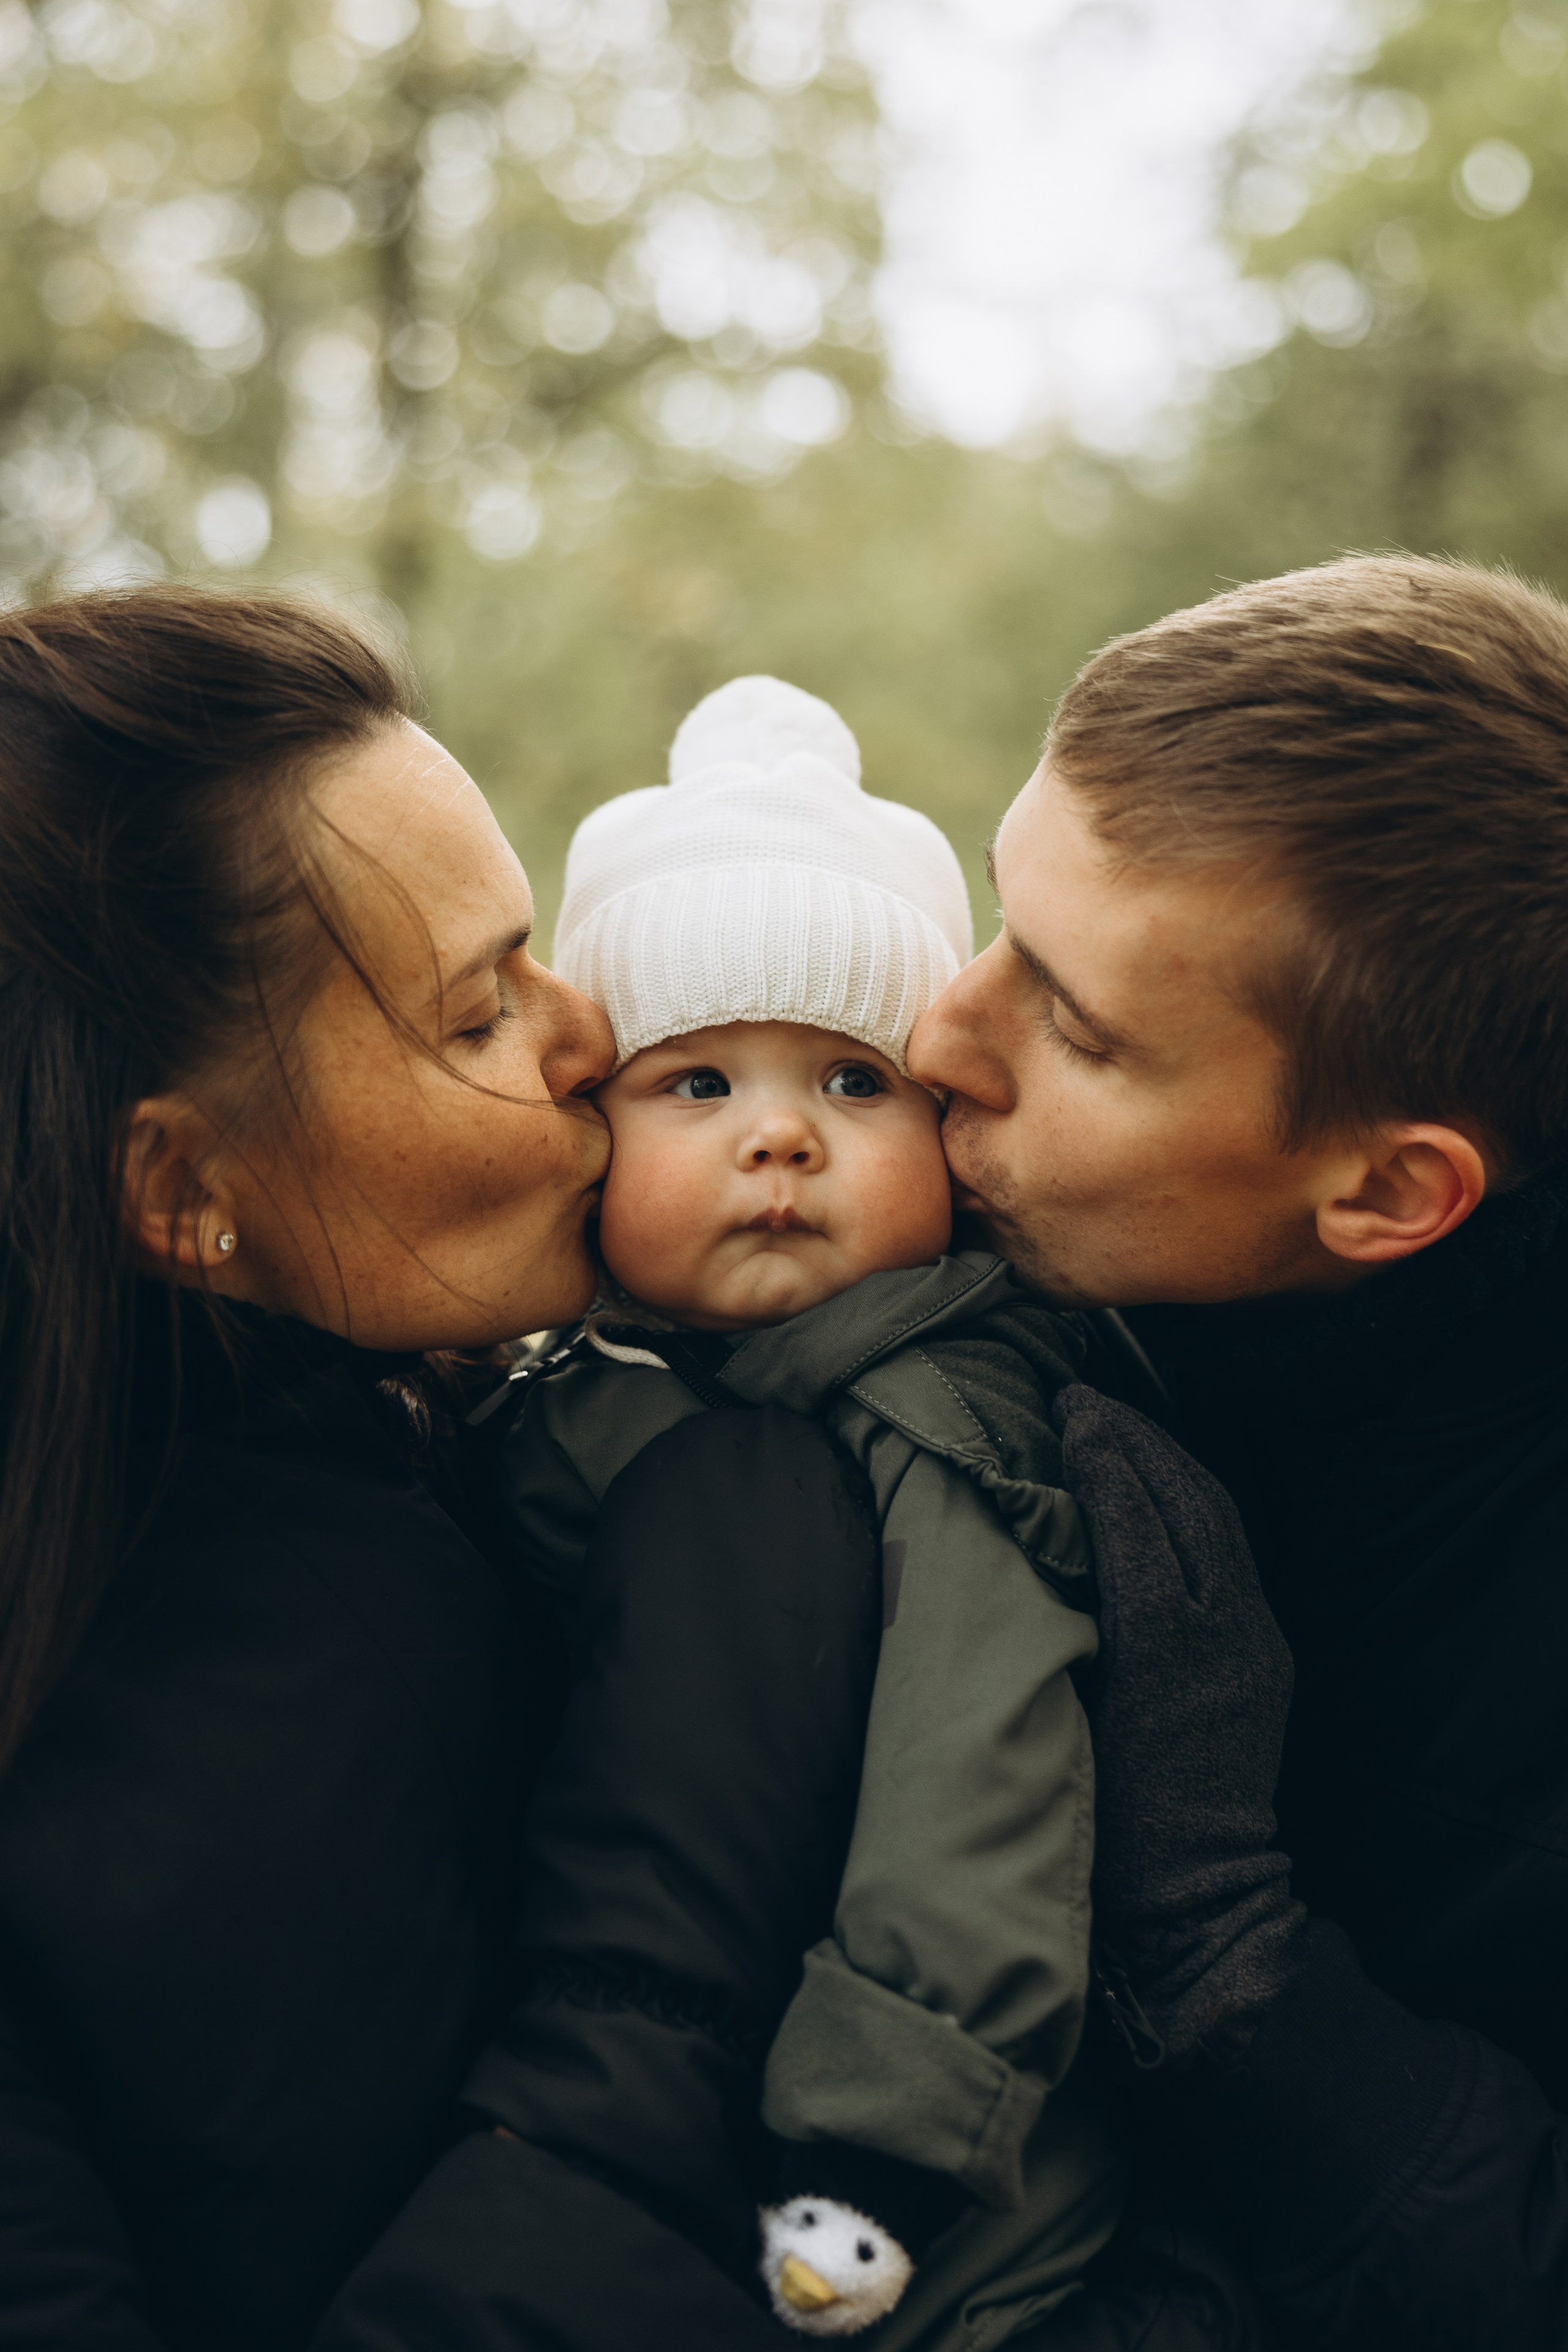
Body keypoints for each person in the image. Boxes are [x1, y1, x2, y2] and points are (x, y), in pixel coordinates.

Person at [0, 587, 886, 2352]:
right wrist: (687, 1907)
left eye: (537, 952)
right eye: (478, 1016)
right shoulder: (191, 1730)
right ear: (181, 1195)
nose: (588, 1041)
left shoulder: (397, 1445)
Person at [908, 552, 1568, 2350]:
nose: (935, 1036)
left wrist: (1222, 1955)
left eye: (1076, 1020)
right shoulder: (1040, 1272)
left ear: (1384, 1189)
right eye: (997, 920)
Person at [489, 676, 1128, 2339]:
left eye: (854, 1085)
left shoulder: (940, 1421)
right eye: (696, 1086)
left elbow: (979, 1776)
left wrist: (888, 2146)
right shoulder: (554, 1403)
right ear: (588, 1137)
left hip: (925, 2208)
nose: (779, 1136)